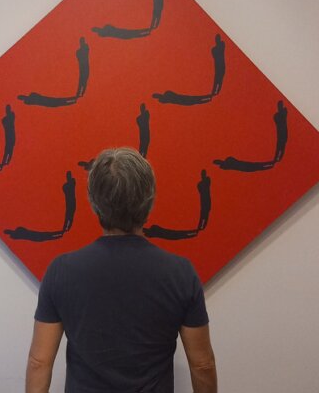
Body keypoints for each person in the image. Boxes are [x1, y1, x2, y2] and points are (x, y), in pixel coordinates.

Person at [25, 147, 217, 393]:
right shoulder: (180, 273)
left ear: (94, 201)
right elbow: (202, 364)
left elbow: (39, 362)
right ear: (149, 198)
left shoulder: (61, 271)